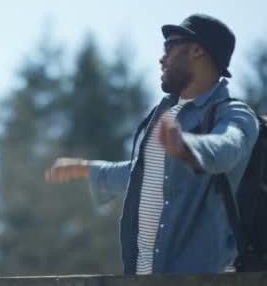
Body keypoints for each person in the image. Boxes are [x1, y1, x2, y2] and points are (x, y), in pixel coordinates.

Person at [45, 14, 259, 274]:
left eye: (169, 46)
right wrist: (86, 168)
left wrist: (188, 146)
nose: (162, 58)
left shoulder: (235, 114)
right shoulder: (165, 113)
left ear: (197, 50)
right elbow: (148, 176)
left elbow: (228, 146)